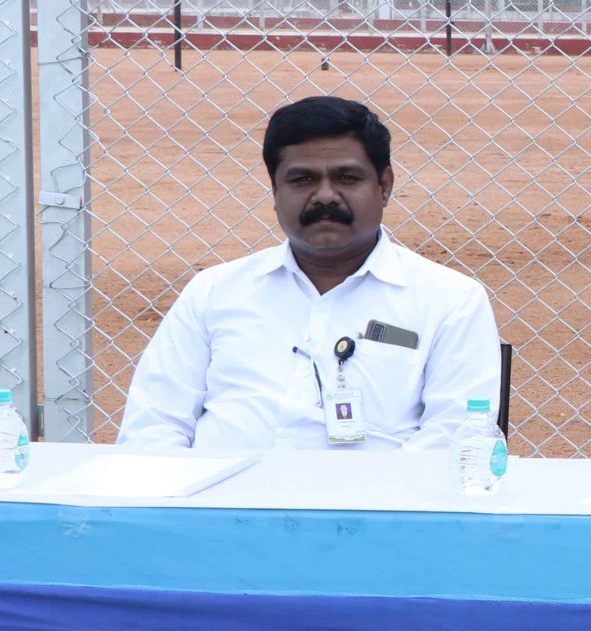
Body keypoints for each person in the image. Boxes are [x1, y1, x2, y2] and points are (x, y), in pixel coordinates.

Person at [121, 95, 502, 451]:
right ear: (275, 190)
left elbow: (455, 438)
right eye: (302, 180)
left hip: (380, 499)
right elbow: (154, 425)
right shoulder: (215, 291)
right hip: (221, 496)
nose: (325, 196)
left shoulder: (450, 301)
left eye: (347, 178)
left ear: (384, 186)